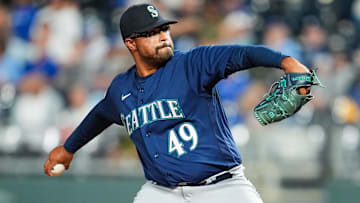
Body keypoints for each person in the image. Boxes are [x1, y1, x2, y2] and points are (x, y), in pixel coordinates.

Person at [44, 3, 311, 203]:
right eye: (151, 33)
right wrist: (69, 148)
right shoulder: (121, 88)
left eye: (164, 28)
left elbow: (242, 53)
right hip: (162, 192)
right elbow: (100, 115)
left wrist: (287, 62)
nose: (163, 36)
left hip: (222, 187)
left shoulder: (193, 63)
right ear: (130, 43)